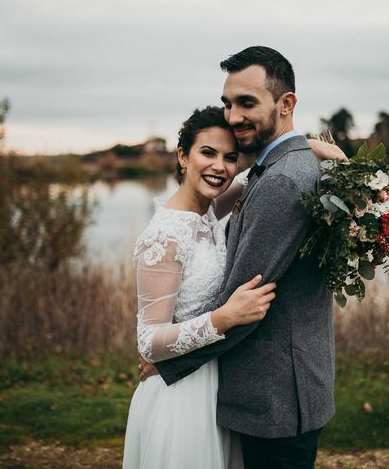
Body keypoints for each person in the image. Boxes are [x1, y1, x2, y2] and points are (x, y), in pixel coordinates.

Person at [141, 46, 342, 469]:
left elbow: (243, 302)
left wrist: (171, 365)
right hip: (261, 391)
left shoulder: (283, 180)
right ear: (183, 157)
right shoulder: (277, 170)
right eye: (228, 104)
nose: (233, 116)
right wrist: (308, 144)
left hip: (275, 397)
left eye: (247, 103)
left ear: (286, 104)